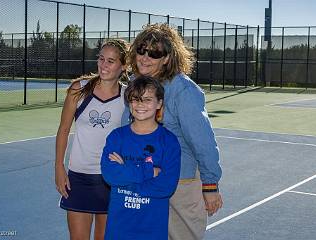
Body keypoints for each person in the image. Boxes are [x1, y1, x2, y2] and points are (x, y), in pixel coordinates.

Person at [122, 23, 223, 240]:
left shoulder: (182, 90)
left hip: (179, 185)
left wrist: (210, 184)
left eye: (155, 52)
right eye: (141, 50)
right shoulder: (136, 85)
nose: (145, 57)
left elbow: (202, 141)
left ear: (167, 58)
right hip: (143, 182)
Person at [55, 39, 129, 240]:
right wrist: (59, 167)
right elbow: (63, 129)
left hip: (111, 179)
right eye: (101, 59)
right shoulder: (79, 89)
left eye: (111, 61)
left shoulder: (128, 96)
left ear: (123, 65)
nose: (104, 65)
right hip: (78, 178)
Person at [100, 76, 181, 240]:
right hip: (118, 230)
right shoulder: (117, 137)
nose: (140, 104)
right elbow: (110, 175)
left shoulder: (169, 142)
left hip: (151, 230)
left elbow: (166, 187)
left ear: (159, 103)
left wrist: (126, 178)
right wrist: (150, 171)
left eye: (147, 99)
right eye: (135, 99)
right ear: (129, 103)